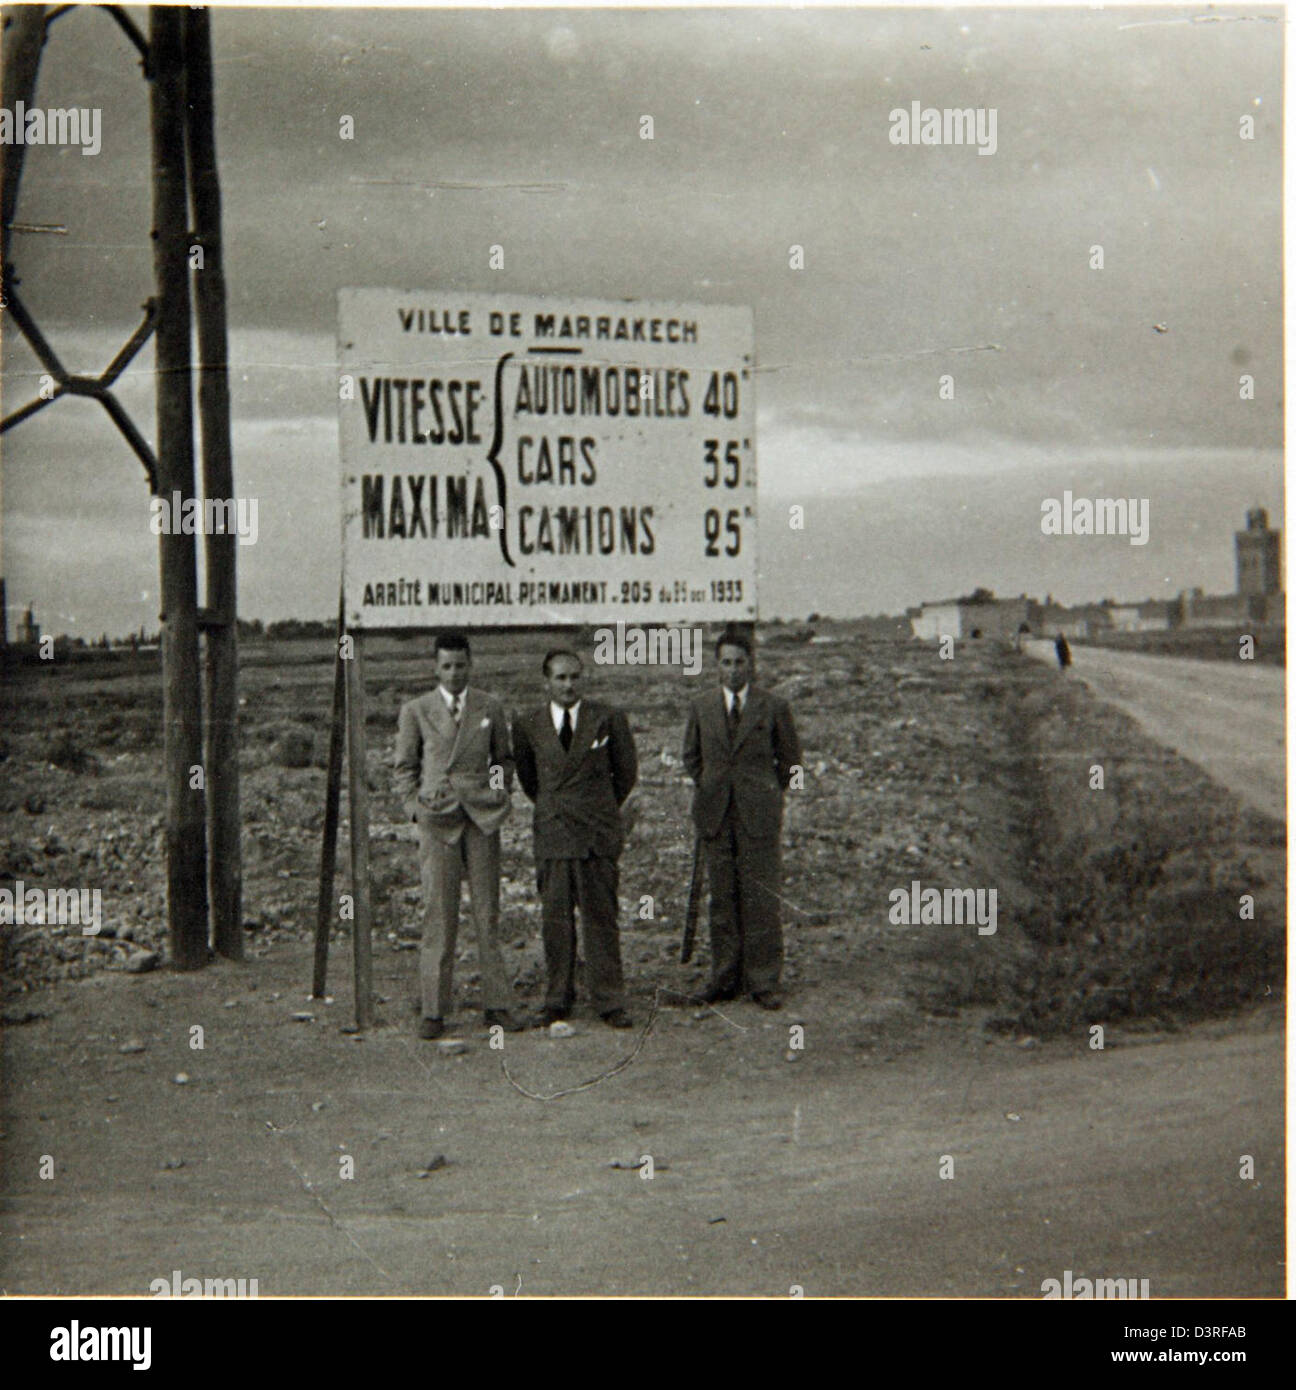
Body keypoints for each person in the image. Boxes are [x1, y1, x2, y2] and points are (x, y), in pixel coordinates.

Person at [393, 633, 525, 1039]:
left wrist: (498, 790)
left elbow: (503, 757)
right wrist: (415, 809)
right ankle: (433, 1009)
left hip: (481, 817)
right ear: (436, 668)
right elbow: (404, 768)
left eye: (461, 665)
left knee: (487, 911)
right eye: (447, 666)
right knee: (439, 914)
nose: (454, 673)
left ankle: (497, 1005)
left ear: (471, 665)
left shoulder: (489, 706)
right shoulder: (416, 710)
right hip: (438, 820)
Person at [512, 649, 638, 1029]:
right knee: (555, 920)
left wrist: (597, 809)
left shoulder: (608, 719)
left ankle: (609, 999)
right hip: (554, 833)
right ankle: (557, 997)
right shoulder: (528, 723)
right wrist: (558, 807)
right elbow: (529, 781)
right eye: (561, 678)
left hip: (596, 832)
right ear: (546, 682)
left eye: (575, 677)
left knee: (601, 916)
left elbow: (625, 774)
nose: (569, 685)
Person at [682, 628, 802, 1010]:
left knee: (761, 897)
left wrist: (768, 794)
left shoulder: (773, 707)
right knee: (722, 898)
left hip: (758, 816)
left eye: (740, 662)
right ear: (716, 666)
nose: (733, 670)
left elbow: (791, 762)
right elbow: (691, 758)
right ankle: (725, 976)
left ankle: (764, 980)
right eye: (726, 663)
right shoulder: (701, 707)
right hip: (716, 815)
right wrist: (711, 787)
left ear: (752, 664)